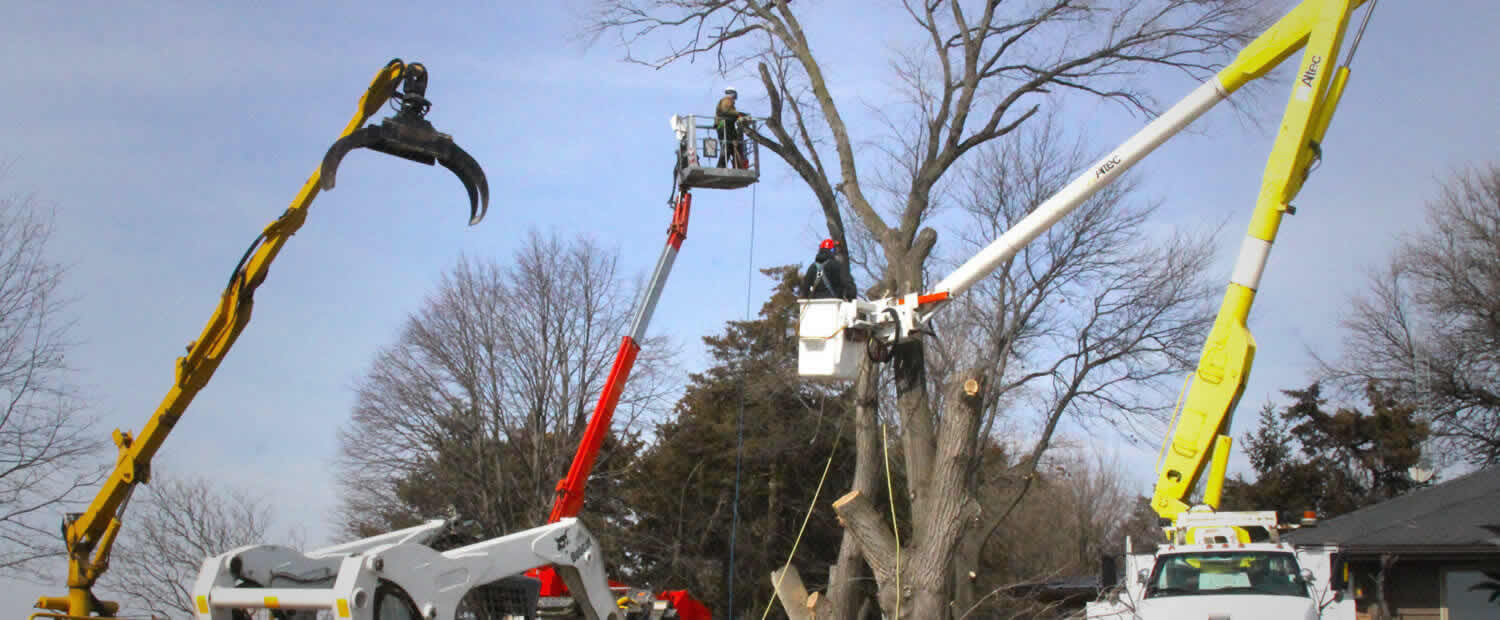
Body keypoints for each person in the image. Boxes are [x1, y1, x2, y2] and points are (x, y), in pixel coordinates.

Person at [715, 86, 749, 168]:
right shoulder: (727, 100)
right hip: (724, 126)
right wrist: (739, 114)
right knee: (727, 146)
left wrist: (738, 116)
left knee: (734, 147)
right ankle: (721, 166)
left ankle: (737, 165)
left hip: (728, 127)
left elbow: (730, 113)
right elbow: (726, 111)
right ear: (733, 94)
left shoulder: (728, 102)